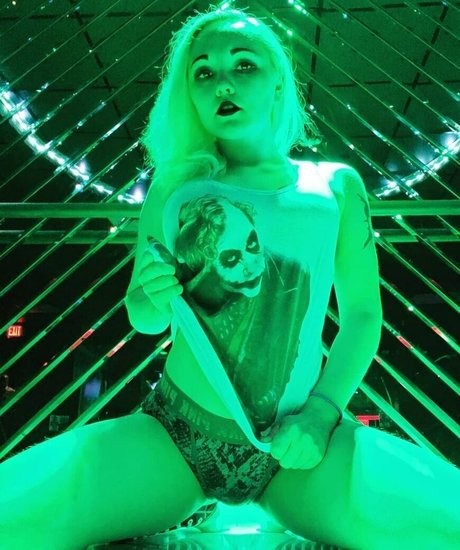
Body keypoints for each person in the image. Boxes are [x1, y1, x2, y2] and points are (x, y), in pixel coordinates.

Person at [0, 6, 459, 550]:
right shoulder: (175, 186)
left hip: (298, 443)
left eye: (244, 65)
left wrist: (321, 413)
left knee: (446, 523)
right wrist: (152, 293)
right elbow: (144, 318)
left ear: (279, 80)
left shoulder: (336, 186)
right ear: (190, 95)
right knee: (12, 516)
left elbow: (362, 315)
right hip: (174, 436)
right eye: (204, 72)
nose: (223, 83)